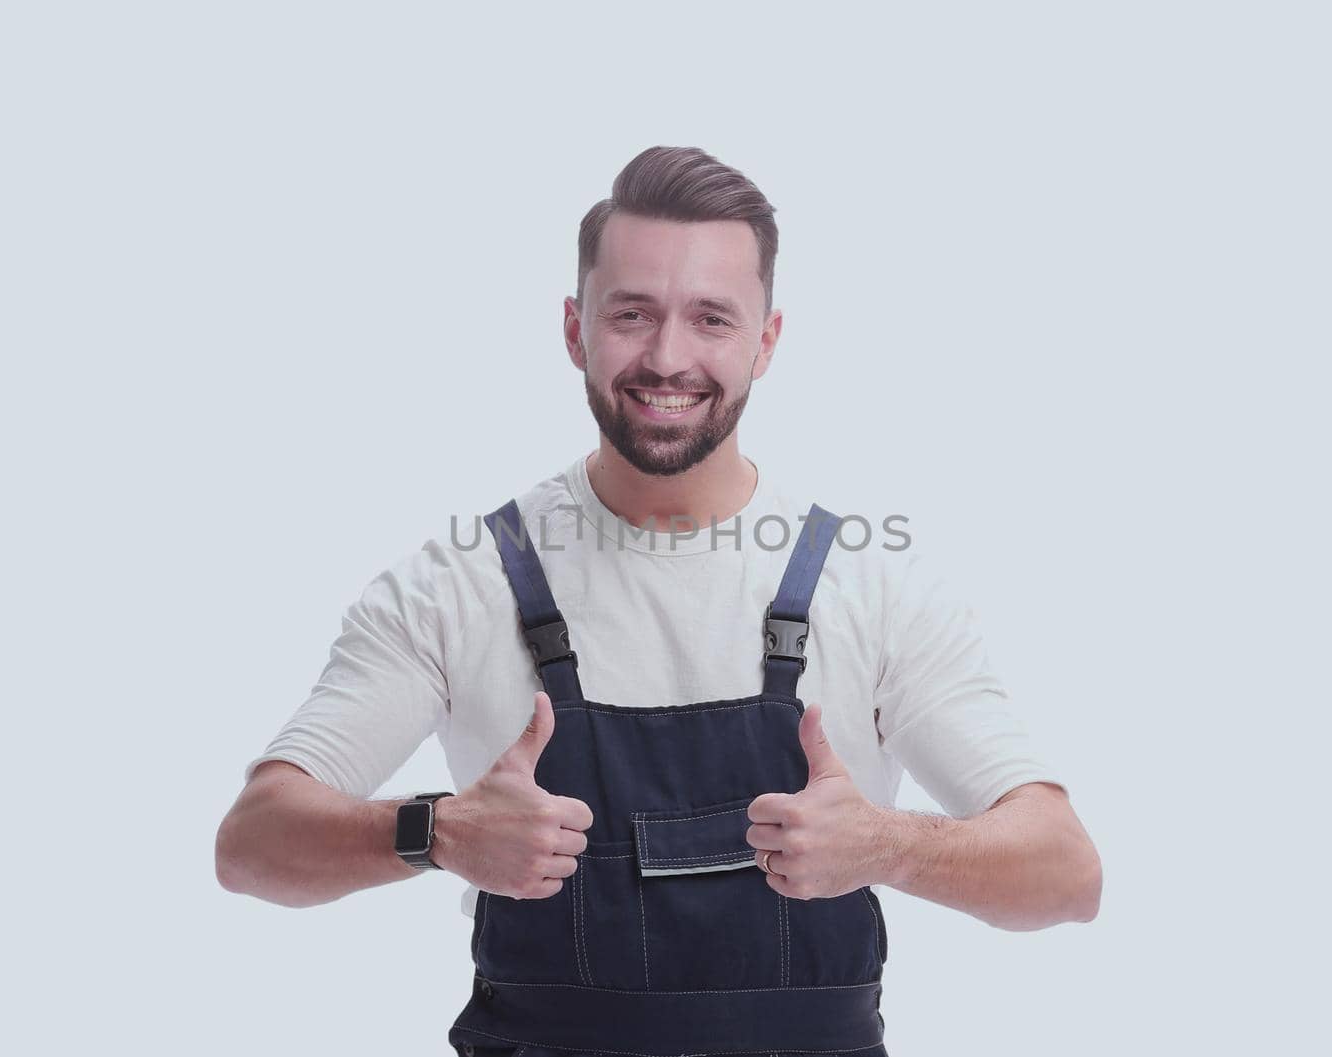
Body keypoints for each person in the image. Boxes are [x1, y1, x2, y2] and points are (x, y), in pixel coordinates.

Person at [215, 145, 1102, 1057]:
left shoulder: (870, 587)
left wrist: (888, 846)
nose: (669, 358)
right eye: (631, 314)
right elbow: (253, 843)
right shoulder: (459, 583)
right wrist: (436, 830)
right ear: (575, 330)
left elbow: (1066, 869)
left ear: (766, 338)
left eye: (711, 318)